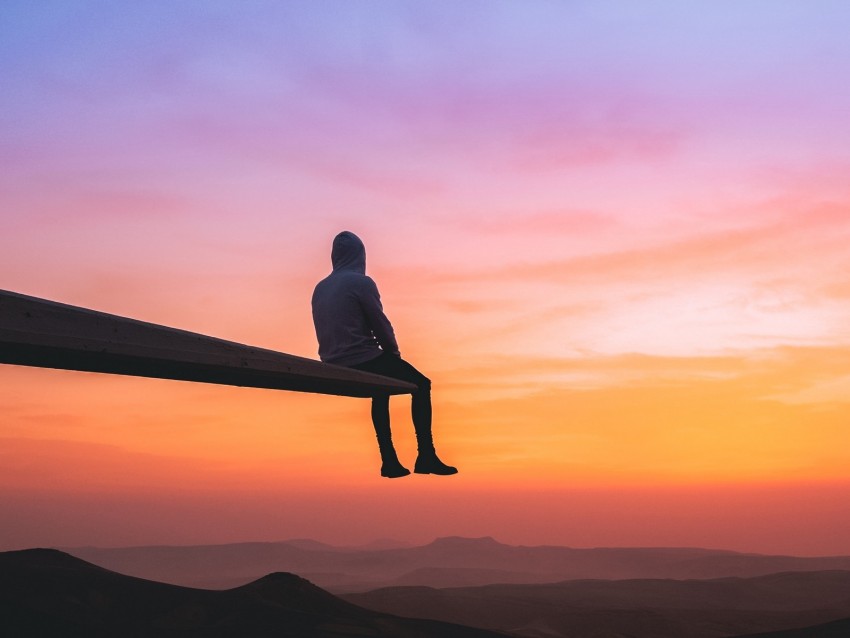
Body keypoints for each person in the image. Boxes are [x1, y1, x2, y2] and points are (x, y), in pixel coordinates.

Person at [312, 231, 457, 478]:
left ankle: (389, 460)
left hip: (330, 359)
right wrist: (393, 352)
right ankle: (426, 455)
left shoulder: (320, 287)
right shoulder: (361, 283)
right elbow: (380, 324)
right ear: (360, 255)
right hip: (360, 358)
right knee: (421, 384)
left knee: (381, 388)